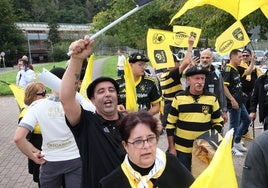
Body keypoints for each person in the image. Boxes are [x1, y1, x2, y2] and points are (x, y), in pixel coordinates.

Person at [60, 36, 126, 187]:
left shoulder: (130, 122)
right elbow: (66, 98)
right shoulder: (86, 123)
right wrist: (77, 59)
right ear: (93, 100)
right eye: (101, 91)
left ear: (117, 96)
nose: (107, 94)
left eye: (111, 90)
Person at [14, 67, 82, 188]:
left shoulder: (37, 106)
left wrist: (33, 156)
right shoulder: (80, 103)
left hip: (49, 160)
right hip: (75, 159)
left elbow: (18, 138)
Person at [100, 111, 195, 188]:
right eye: (138, 141)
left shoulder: (171, 163)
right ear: (125, 146)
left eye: (150, 138)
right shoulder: (111, 183)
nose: (146, 146)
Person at [166, 65, 223, 171]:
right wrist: (172, 148)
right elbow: (170, 125)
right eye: (197, 78)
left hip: (202, 151)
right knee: (184, 181)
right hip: (181, 150)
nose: (200, 82)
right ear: (188, 80)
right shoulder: (179, 98)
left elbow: (218, 123)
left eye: (202, 79)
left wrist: (210, 145)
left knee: (200, 181)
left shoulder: (212, 98)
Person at [159, 36, 194, 128]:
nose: (179, 64)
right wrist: (190, 46)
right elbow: (185, 62)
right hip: (172, 107)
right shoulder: (172, 74)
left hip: (166, 107)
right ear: (172, 63)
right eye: (177, 62)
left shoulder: (164, 75)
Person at [223, 49, 251, 156]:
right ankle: (230, 147)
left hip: (240, 101)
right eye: (239, 57)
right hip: (234, 103)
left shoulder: (236, 69)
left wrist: (252, 61)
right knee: (233, 126)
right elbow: (224, 86)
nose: (241, 59)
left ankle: (237, 141)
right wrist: (232, 99)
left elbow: (247, 73)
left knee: (247, 120)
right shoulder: (228, 69)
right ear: (233, 57)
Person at [18, 82, 47, 187]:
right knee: (42, 182)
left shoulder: (42, 107)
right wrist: (37, 152)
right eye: (42, 94)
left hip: (49, 153)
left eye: (46, 92)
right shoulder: (26, 114)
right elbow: (23, 140)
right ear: (32, 96)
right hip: (39, 155)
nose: (46, 95)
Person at [237, 48, 262, 140]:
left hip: (251, 94)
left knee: (249, 113)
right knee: (241, 115)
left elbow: (259, 79)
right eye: (243, 55)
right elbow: (248, 71)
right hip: (242, 94)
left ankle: (245, 132)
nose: (244, 57)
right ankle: (238, 135)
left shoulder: (256, 68)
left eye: (247, 55)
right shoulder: (239, 66)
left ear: (250, 56)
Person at [199, 48, 228, 124]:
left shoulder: (217, 73)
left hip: (216, 110)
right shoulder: (195, 72)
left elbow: (221, 92)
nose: (204, 60)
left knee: (218, 133)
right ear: (200, 58)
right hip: (200, 111)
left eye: (207, 58)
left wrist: (224, 110)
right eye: (202, 57)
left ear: (212, 59)